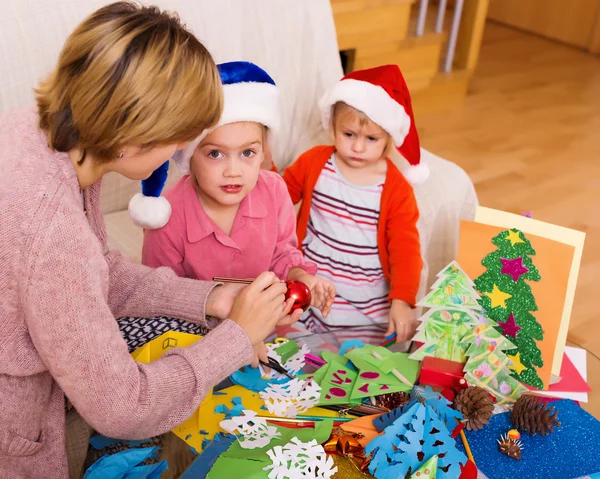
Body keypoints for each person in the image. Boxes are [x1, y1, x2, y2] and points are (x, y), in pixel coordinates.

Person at [0, 4, 296, 478]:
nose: (180, 150)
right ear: (135, 135)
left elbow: (101, 271)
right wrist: (237, 339)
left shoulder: (51, 137)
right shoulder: (52, 232)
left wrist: (211, 297)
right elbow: (126, 407)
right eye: (181, 137)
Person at [138, 61, 336, 330]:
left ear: (263, 151)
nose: (233, 171)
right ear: (189, 156)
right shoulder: (167, 217)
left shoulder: (275, 191)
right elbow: (160, 295)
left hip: (268, 329)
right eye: (215, 154)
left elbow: (282, 254)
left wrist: (304, 278)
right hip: (197, 341)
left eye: (247, 153)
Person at [283, 64, 426, 344]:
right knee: (294, 359)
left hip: (365, 307)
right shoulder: (314, 162)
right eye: (349, 135)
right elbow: (279, 196)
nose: (358, 147)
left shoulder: (396, 189)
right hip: (311, 292)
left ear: (388, 139)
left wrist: (403, 300)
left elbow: (405, 249)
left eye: (371, 139)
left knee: (360, 372)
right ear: (333, 127)